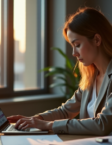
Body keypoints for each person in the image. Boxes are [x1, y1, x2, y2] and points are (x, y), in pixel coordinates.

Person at [7, 7, 112, 135]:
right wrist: (34, 120)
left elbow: (102, 124)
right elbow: (65, 111)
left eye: (77, 45)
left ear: (97, 39)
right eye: (72, 46)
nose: (74, 53)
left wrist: (47, 125)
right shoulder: (91, 77)